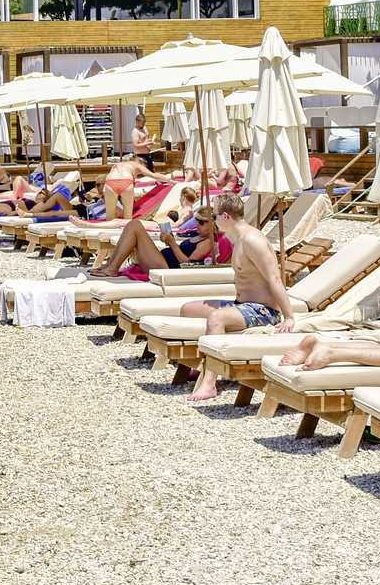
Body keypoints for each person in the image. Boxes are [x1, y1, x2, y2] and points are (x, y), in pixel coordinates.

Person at [184, 196, 299, 402]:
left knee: (216, 319)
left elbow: (274, 277)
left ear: (226, 216)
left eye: (215, 216)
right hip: (243, 306)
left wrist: (289, 317)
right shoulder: (234, 237)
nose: (213, 220)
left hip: (263, 311)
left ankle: (209, 383)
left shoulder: (252, 241)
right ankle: (202, 362)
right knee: (188, 309)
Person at [89, 205, 226, 279]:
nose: (198, 225)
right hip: (164, 261)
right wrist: (168, 239)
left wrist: (172, 243)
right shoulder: (199, 236)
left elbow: (188, 264)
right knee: (133, 225)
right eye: (197, 221)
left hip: (168, 269)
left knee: (135, 225)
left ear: (213, 224)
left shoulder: (208, 242)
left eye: (202, 223)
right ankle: (109, 265)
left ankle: (112, 268)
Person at [99, 155, 156, 220]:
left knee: (110, 217)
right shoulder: (137, 166)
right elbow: (154, 176)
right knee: (127, 217)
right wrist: (167, 179)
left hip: (111, 182)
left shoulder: (118, 165)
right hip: (126, 182)